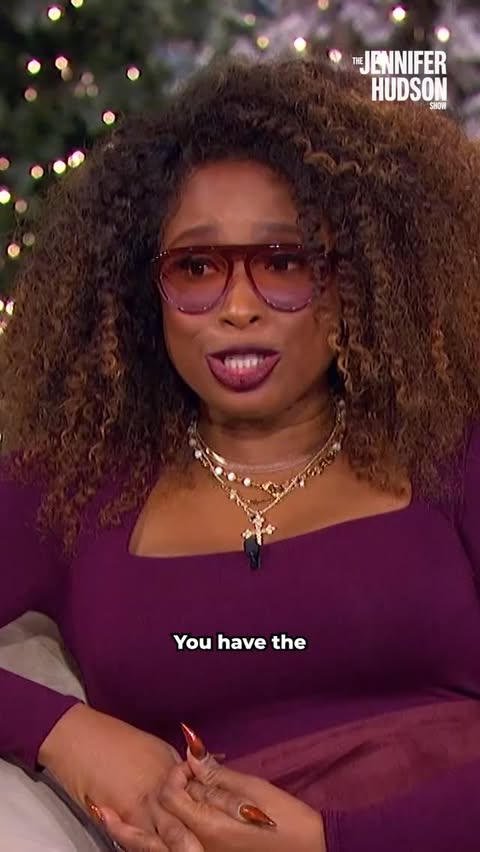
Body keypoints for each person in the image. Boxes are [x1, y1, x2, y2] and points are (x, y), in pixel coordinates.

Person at [1, 50, 480, 852]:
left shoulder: (450, 450)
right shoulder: (77, 482)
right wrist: (68, 733)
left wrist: (331, 840)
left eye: (284, 262)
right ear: (143, 291)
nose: (238, 308)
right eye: (197, 268)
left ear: (359, 279)